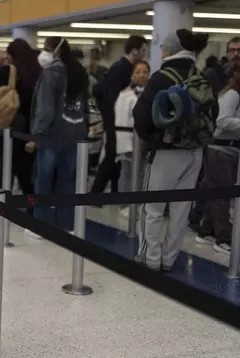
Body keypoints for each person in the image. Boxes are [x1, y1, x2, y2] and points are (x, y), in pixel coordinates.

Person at [133, 29, 216, 271]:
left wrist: (152, 139)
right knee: (181, 210)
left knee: (153, 207)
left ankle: (150, 259)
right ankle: (169, 259)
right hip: (195, 152)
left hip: (166, 151)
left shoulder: (161, 77)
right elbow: (215, 114)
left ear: (169, 50)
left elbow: (141, 114)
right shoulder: (201, 76)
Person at [30, 36, 90, 233]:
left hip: (52, 136)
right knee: (67, 181)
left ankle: (42, 226)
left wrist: (37, 134)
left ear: (54, 51)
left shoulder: (51, 74)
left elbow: (45, 110)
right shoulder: (80, 72)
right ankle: (66, 225)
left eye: (45, 49)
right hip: (75, 134)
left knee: (44, 181)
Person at [195, 63, 240, 255]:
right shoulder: (233, 96)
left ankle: (207, 231)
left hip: (233, 152)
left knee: (216, 192)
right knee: (221, 195)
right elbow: (222, 121)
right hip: (220, 150)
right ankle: (223, 239)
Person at [0, 38, 41, 205]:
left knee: (6, 169)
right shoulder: (39, 72)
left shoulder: (8, 71)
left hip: (8, 125)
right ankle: (31, 208)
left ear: (11, 55)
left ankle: (4, 206)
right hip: (29, 130)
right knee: (26, 173)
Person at [91, 35, 148, 194]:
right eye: (143, 50)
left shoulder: (123, 67)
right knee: (111, 157)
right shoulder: (120, 69)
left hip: (119, 123)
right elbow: (111, 98)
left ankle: (113, 193)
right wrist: (111, 125)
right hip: (116, 122)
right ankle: (96, 193)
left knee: (117, 160)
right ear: (135, 50)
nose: (145, 53)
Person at [115, 60, 150, 218]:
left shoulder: (150, 93)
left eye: (145, 72)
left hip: (145, 142)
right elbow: (121, 122)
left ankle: (139, 203)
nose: (142, 75)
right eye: (138, 72)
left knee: (142, 174)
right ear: (132, 75)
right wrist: (126, 147)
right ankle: (124, 204)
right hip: (129, 141)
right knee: (127, 173)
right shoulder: (126, 95)